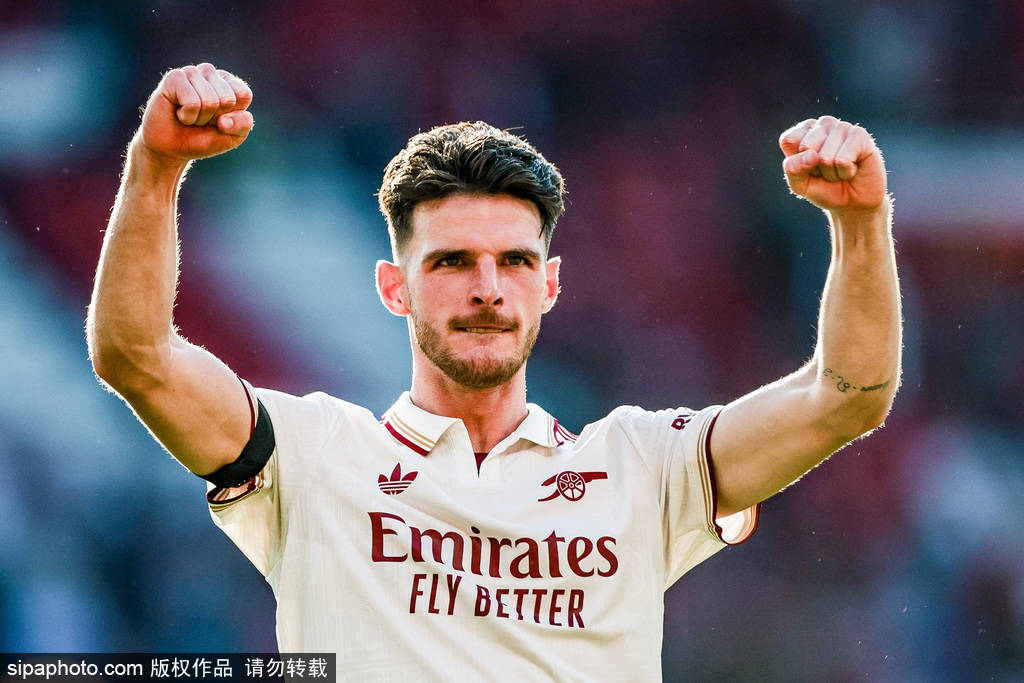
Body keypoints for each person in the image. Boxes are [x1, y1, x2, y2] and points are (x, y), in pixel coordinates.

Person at [87, 64, 901, 680]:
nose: (487, 287)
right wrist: (155, 168)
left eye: (515, 260)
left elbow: (846, 397)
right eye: (451, 261)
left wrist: (861, 222)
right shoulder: (313, 455)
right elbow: (136, 357)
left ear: (550, 285)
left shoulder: (642, 466)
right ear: (394, 288)